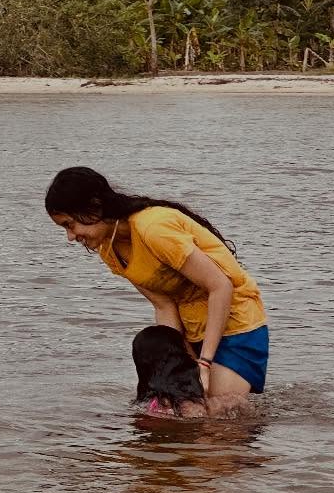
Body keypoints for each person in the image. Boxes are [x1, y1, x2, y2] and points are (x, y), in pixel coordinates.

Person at [45, 166, 268, 400]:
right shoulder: (110, 250)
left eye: (69, 225)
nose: (70, 237)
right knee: (187, 414)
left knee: (218, 421)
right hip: (192, 329)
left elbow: (220, 286)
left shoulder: (153, 229)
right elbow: (164, 306)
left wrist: (204, 363)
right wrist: (185, 362)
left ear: (94, 207)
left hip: (236, 324)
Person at [133, 324, 251, 418]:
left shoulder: (146, 403)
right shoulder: (188, 404)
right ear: (179, 360)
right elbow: (202, 415)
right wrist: (238, 402)